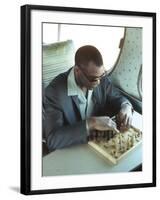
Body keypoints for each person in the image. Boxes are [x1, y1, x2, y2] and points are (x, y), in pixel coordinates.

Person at [43, 45, 133, 151]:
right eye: (94, 79)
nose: (99, 82)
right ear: (77, 70)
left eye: (102, 75)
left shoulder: (99, 77)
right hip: (72, 148)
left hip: (97, 145)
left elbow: (117, 98)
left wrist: (126, 107)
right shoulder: (54, 92)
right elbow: (53, 140)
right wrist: (91, 122)